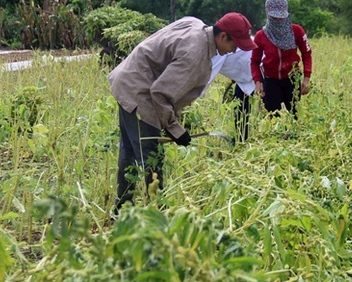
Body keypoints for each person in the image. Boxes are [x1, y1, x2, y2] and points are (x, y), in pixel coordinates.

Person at [107, 13, 257, 211]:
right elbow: (160, 93)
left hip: (127, 79)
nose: (235, 50)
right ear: (222, 37)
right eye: (235, 44)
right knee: (151, 157)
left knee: (130, 152)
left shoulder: (197, 24)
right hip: (139, 92)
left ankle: (123, 208)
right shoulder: (196, 55)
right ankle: (158, 213)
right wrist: (175, 129)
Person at [251, 0, 312, 116]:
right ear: (268, 14)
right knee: (274, 117)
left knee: (294, 116)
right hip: (271, 81)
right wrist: (258, 82)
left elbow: (307, 54)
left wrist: (306, 79)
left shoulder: (297, 31)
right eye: (274, 18)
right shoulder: (261, 36)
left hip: (292, 81)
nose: (278, 21)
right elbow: (254, 61)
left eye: (281, 17)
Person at [202, 49, 254, 142]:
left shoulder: (218, 49)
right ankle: (241, 138)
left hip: (259, 70)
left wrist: (189, 99)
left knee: (267, 108)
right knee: (239, 106)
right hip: (244, 76)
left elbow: (206, 78)